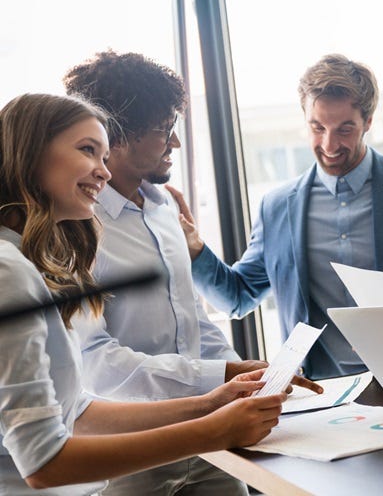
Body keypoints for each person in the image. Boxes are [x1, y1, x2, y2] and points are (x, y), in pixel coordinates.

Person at [0, 93, 285, 495]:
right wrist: (212, 430)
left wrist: (211, 402)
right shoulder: (7, 270)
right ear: (29, 152)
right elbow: (43, 463)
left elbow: (75, 412)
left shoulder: (28, 263)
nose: (102, 171)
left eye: (102, 155)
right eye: (88, 150)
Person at [62, 50, 319, 495]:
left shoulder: (164, 208)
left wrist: (246, 379)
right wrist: (221, 375)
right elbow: (97, 362)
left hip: (210, 437)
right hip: (130, 451)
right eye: (164, 131)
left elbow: (193, 321)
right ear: (115, 139)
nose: (174, 143)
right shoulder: (78, 228)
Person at [181, 53, 383, 379]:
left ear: (368, 121)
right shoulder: (276, 208)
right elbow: (237, 296)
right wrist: (195, 251)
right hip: (320, 393)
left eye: (345, 129)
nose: (329, 144)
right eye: (317, 128)